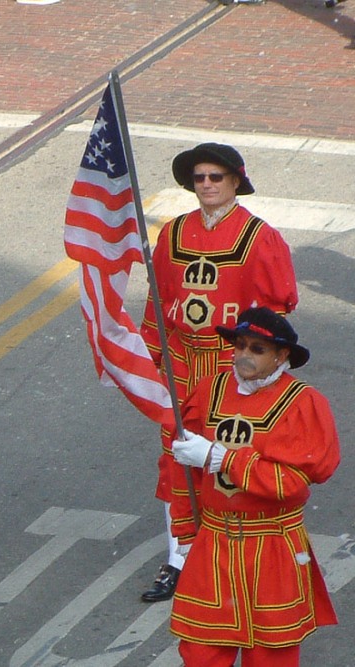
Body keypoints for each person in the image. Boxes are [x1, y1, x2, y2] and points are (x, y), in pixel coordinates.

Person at [139, 142, 298, 602]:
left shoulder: (260, 238)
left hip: (230, 369)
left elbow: (274, 313)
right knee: (176, 463)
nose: (206, 185)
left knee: (226, 461)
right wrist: (152, 356)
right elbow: (158, 298)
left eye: (216, 177)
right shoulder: (171, 234)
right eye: (199, 178)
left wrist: (257, 371)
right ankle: (178, 558)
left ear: (234, 183)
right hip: (183, 366)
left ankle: (231, 555)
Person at [170, 307, 339, 666]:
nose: (244, 354)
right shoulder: (208, 390)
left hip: (272, 546)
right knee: (200, 652)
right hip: (213, 544)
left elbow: (293, 484)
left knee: (270, 656)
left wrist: (225, 459)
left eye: (257, 349)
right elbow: (182, 469)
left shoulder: (304, 404)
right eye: (240, 345)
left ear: (281, 356)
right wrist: (185, 530)